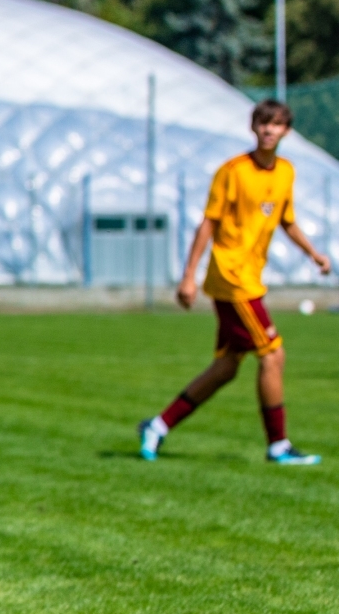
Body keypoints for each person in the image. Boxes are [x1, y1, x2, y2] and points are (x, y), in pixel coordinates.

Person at [139, 100, 331, 464]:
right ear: (252, 127)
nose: (269, 130)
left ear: (286, 131)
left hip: (249, 276)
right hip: (232, 277)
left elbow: (286, 219)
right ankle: (279, 446)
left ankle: (158, 426)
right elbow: (208, 223)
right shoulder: (232, 171)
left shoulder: (286, 171)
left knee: (226, 367)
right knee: (273, 355)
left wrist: (313, 254)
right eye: (263, 123)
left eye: (276, 124)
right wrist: (188, 277)